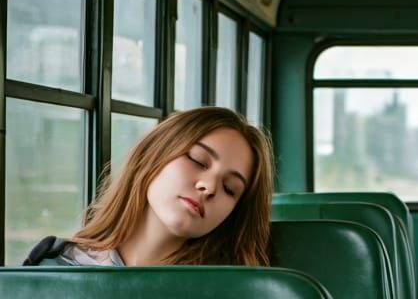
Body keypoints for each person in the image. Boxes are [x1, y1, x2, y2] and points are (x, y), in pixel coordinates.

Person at [23, 107, 274, 267]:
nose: (209, 187)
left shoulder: (232, 294)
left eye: (230, 189)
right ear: (154, 154)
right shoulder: (54, 267)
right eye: (197, 160)